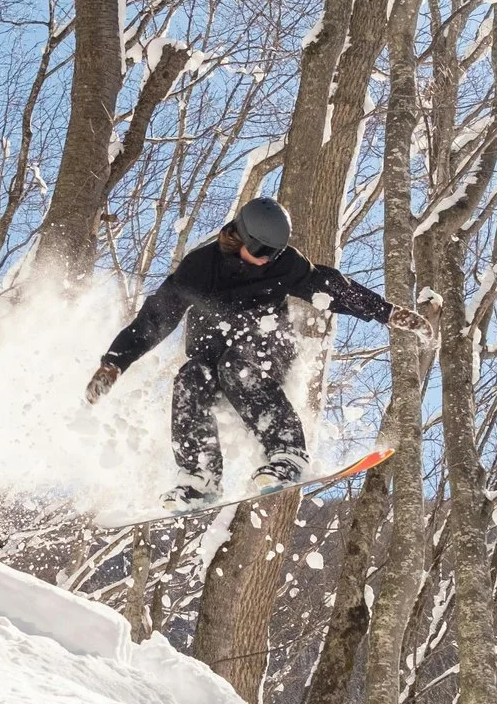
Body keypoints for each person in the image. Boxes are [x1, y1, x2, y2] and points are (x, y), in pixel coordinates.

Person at [84, 196, 432, 508]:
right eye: (263, 252)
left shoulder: (285, 266)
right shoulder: (199, 269)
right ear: (239, 240)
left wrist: (385, 312)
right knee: (190, 377)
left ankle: (288, 452)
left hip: (266, 352)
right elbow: (154, 319)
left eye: (275, 253)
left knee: (238, 364)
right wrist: (114, 363)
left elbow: (332, 286)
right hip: (211, 357)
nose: (268, 261)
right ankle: (199, 477)